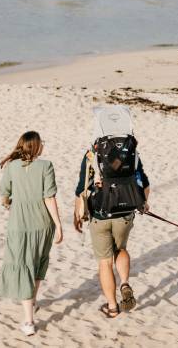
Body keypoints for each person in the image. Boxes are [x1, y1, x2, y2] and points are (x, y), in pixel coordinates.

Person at [73, 133, 151, 318]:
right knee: (121, 249)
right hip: (124, 213)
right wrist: (144, 203)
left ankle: (113, 306)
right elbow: (145, 184)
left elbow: (81, 189)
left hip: (100, 215)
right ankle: (124, 282)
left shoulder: (92, 154)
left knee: (105, 262)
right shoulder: (131, 152)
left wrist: (77, 214)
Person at [0, 131, 64, 337]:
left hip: (19, 226)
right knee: (36, 264)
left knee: (25, 266)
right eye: (41, 142)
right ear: (35, 146)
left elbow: (4, 195)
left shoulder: (11, 167)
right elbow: (49, 198)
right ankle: (30, 309)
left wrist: (10, 205)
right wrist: (58, 224)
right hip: (43, 225)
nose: (43, 145)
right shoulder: (46, 166)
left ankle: (28, 320)